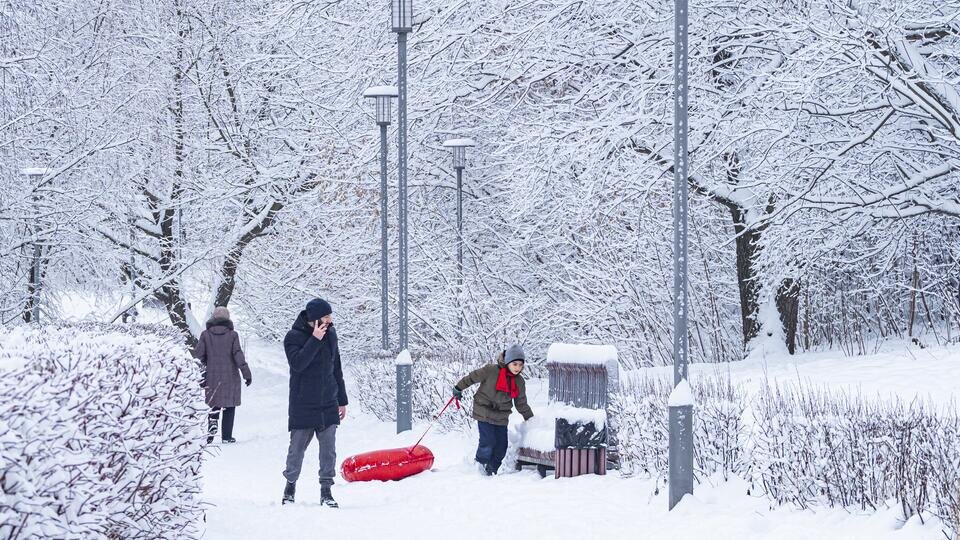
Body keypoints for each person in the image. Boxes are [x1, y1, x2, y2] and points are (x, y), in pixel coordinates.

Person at [281, 298, 348, 507]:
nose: (330, 320)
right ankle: (290, 486)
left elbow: (336, 367)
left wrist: (342, 400)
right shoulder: (293, 337)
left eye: (330, 316)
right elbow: (298, 364)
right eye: (326, 317)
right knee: (297, 449)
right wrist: (315, 339)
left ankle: (326, 491)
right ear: (314, 319)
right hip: (303, 403)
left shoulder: (331, 335)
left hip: (328, 401)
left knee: (328, 450)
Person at [453, 344, 534, 475]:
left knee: (501, 446)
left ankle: (491, 469)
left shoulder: (519, 381)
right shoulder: (490, 371)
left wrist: (531, 420)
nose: (518, 368)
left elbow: (521, 404)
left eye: (520, 365)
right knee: (488, 441)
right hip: (483, 410)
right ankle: (479, 465)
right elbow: (472, 377)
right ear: (507, 362)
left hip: (501, 416)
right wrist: (458, 388)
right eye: (515, 364)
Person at [193, 306, 252, 444]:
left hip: (212, 377)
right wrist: (246, 374)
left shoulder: (205, 335)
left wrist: (197, 373)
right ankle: (226, 436)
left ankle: (212, 428)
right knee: (229, 406)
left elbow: (198, 356)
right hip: (230, 376)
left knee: (214, 403)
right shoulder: (233, 335)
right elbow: (238, 355)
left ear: (213, 318)